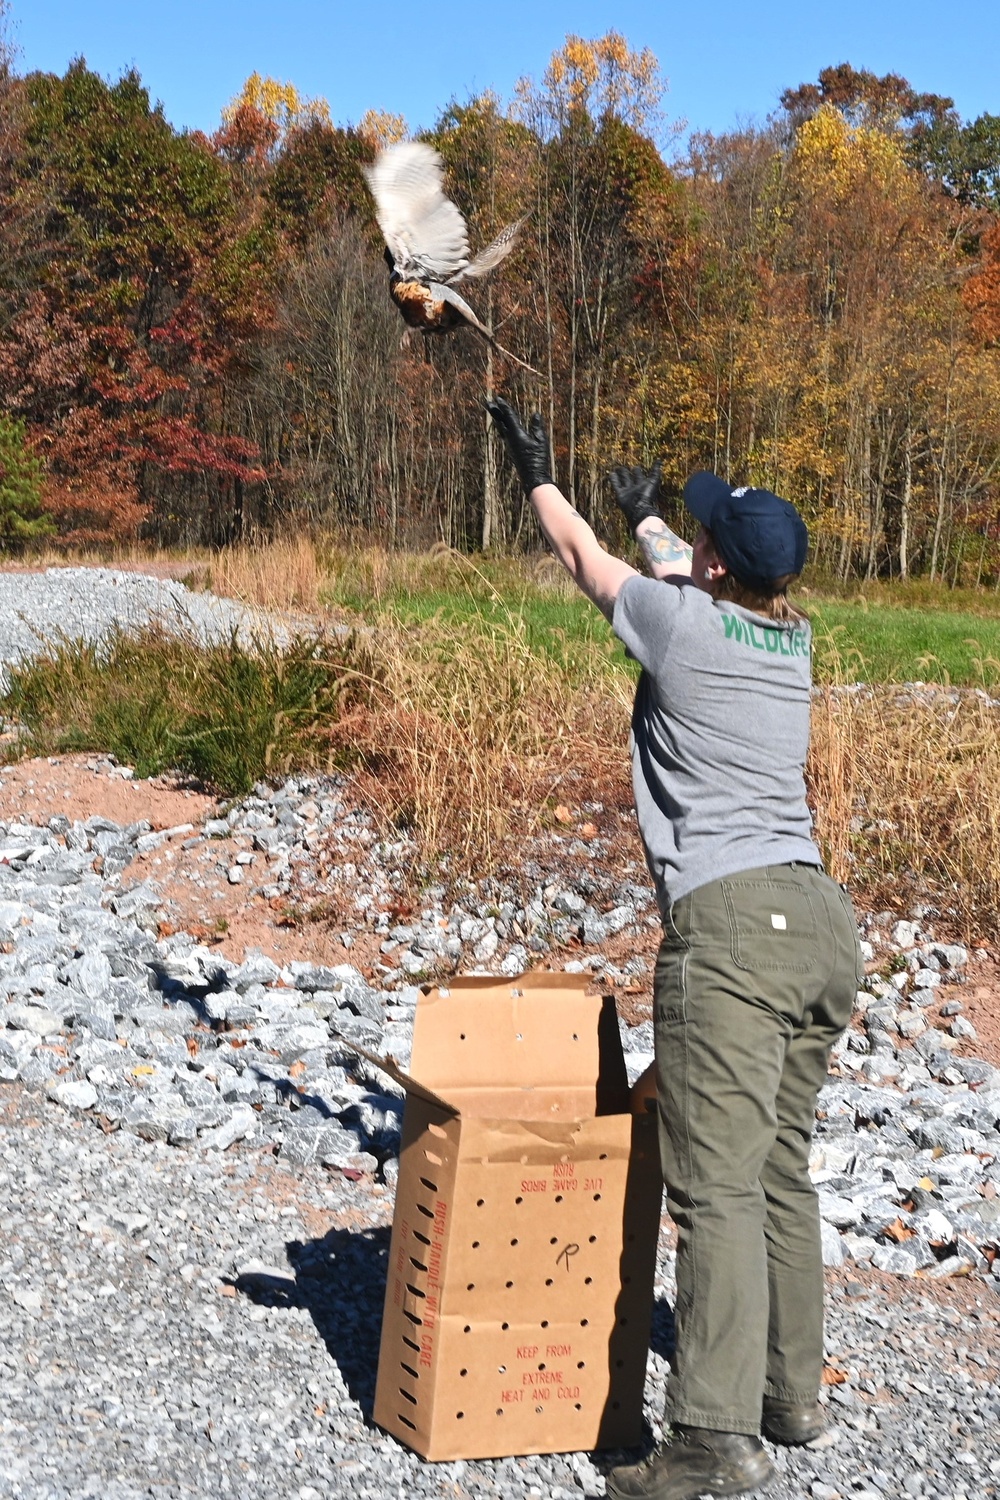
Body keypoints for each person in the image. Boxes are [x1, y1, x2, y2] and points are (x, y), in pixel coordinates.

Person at [486, 398, 861, 1500]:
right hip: (818, 923)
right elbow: (661, 562)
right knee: (780, 1170)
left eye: (693, 536)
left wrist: (536, 473)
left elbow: (579, 556)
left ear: (710, 565)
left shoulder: (680, 625)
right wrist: (653, 516)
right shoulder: (788, 637)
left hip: (732, 929)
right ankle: (794, 1403)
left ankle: (708, 1441)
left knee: (717, 1190)